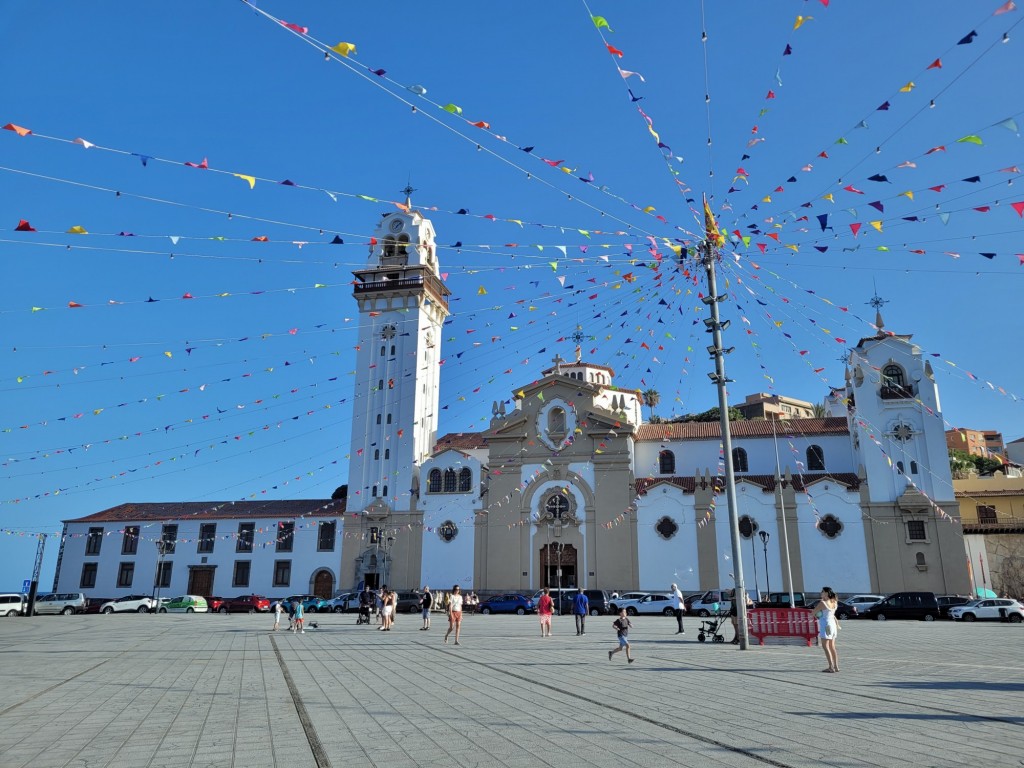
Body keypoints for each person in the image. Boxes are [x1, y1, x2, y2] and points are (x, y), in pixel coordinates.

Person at [813, 586, 840, 672]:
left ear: (826, 593)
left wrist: (818, 615)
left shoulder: (823, 603)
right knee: (832, 646)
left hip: (826, 625)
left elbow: (813, 613)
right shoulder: (834, 602)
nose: (821, 593)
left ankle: (830, 667)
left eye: (822, 592)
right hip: (832, 624)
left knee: (826, 646)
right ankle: (836, 666)